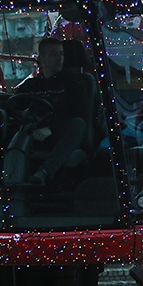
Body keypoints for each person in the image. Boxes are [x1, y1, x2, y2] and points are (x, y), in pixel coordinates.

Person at [15, 37, 90, 184]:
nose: (59, 58)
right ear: (41, 58)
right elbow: (14, 105)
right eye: (54, 54)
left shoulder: (75, 82)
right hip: (32, 135)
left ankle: (45, 171)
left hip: (60, 136)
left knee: (78, 123)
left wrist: (52, 129)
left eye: (61, 54)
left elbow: (81, 113)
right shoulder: (31, 85)